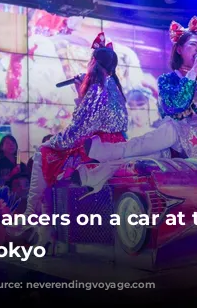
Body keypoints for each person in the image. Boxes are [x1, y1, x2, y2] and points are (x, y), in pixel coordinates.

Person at [73, 16, 197, 193]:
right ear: (180, 49)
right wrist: (193, 71)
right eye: (193, 45)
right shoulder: (168, 80)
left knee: (146, 149)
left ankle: (103, 157)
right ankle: (95, 173)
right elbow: (176, 105)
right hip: (176, 134)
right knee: (146, 155)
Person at [23, 32, 129, 244]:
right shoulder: (113, 88)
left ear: (93, 63)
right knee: (50, 168)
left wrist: (52, 142)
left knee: (44, 153)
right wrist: (81, 92)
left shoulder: (98, 89)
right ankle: (41, 229)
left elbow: (76, 132)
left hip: (99, 151)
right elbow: (90, 122)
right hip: (112, 148)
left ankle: (30, 217)